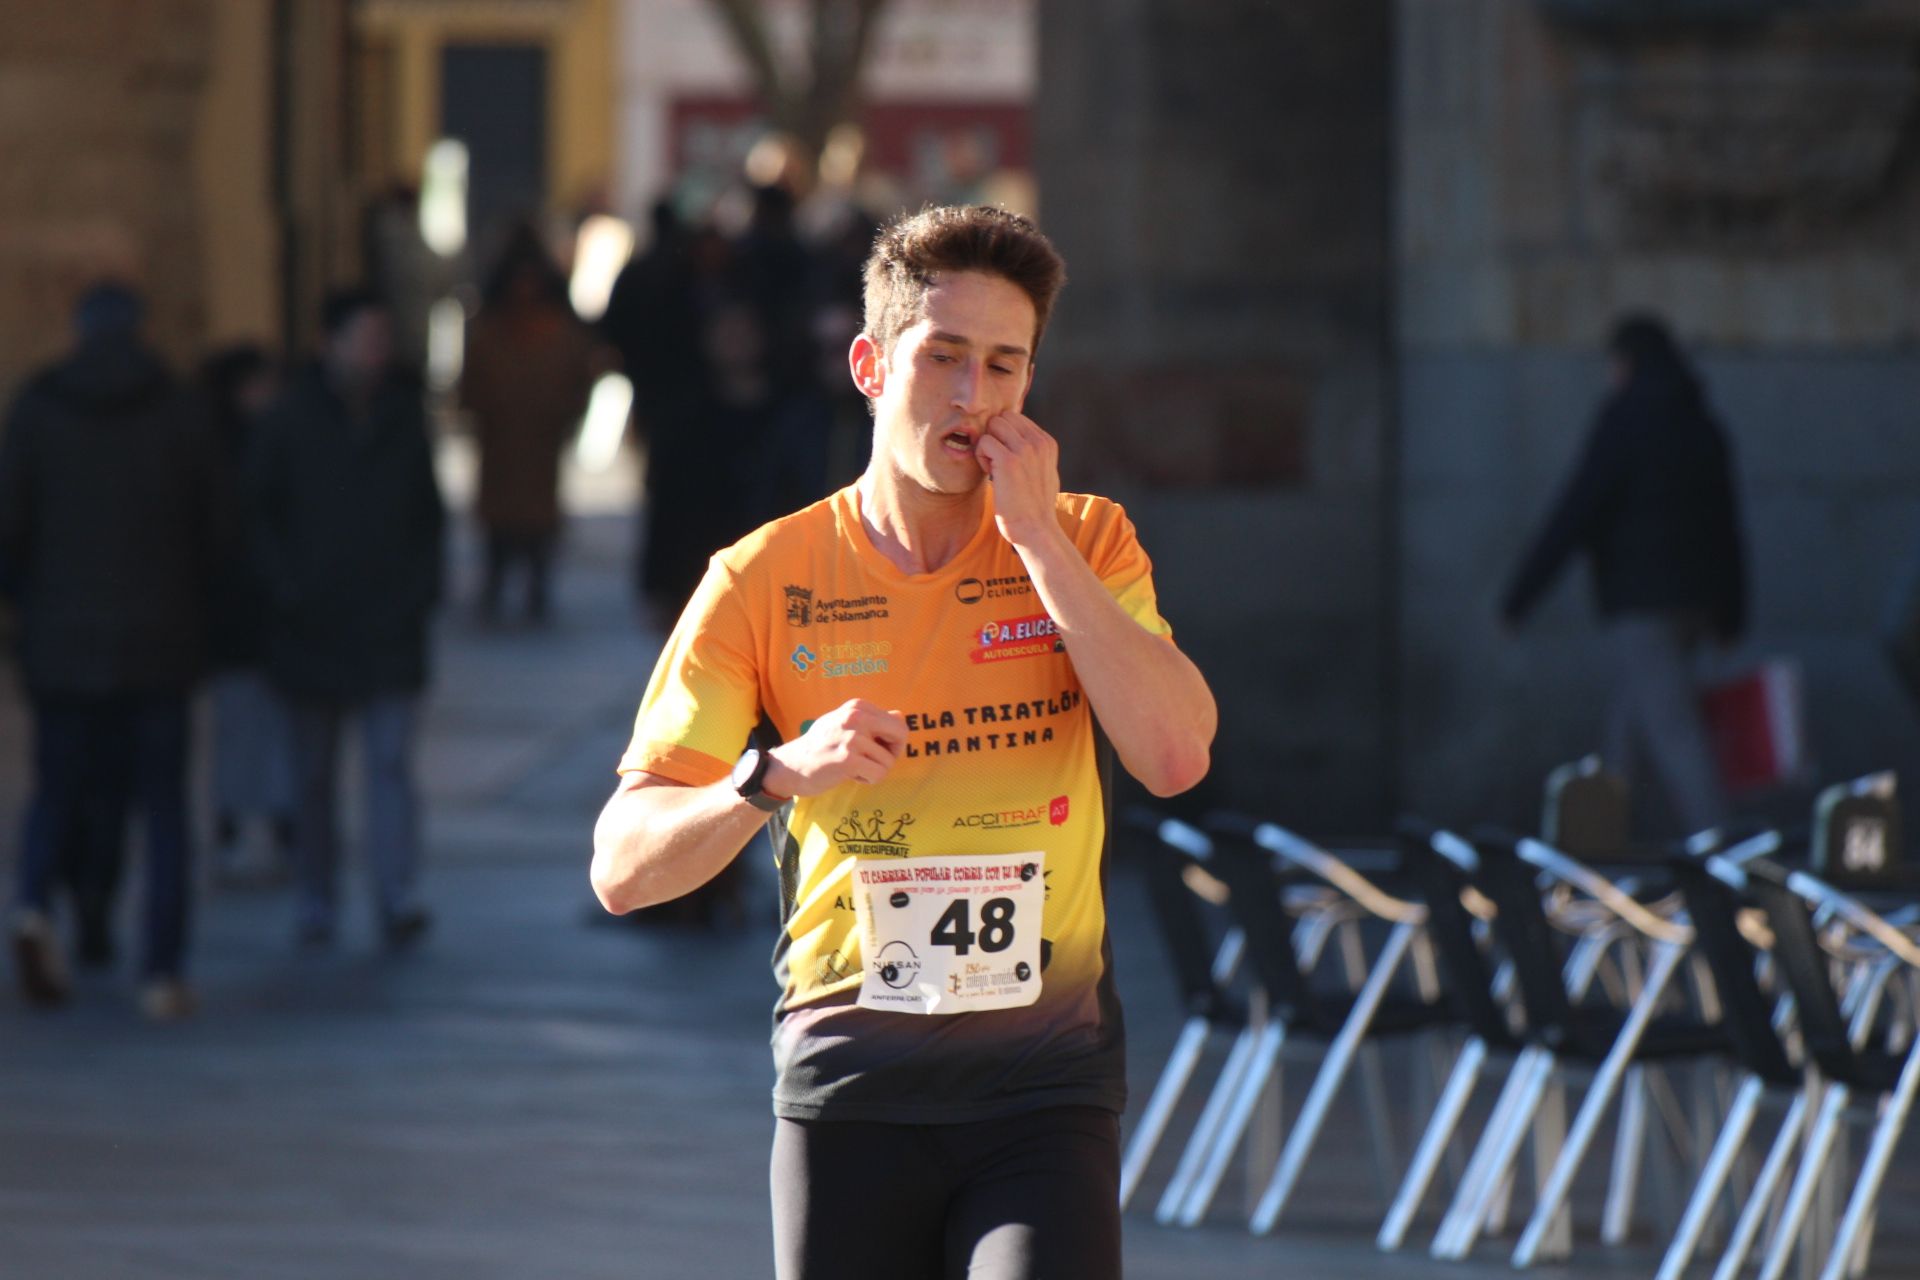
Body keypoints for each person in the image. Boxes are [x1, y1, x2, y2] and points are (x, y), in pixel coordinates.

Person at [591, 206, 1217, 1279]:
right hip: (852, 1089)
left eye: (1006, 365)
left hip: (1044, 1085)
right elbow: (622, 867)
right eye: (944, 358)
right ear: (871, 364)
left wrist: (1039, 543)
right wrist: (774, 775)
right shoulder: (764, 576)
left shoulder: (1090, 540)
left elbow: (1174, 756)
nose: (976, 400)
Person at [0, 282, 224, 1019]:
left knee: (55, 793)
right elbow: (215, 527)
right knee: (162, 812)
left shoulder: (38, 408)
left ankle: (34, 906)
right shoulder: (180, 410)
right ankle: (160, 968)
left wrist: (23, 616)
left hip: (63, 642)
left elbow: (11, 526)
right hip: (161, 641)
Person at [249, 290, 445, 950]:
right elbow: (257, 518)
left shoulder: (402, 418)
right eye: (366, 338)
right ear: (328, 342)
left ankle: (396, 895)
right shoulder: (288, 421)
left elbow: (428, 517)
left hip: (389, 625)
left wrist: (419, 593)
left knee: (389, 768)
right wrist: (286, 591)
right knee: (312, 776)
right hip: (312, 628)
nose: (377, 352)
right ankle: (316, 899)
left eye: (383, 339)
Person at [1501, 312, 1747, 835]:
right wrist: (1731, 615)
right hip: (1695, 605)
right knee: (1629, 732)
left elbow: (1576, 510)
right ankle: (1601, 849)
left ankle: (1723, 856)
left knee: (1674, 735)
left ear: (1628, 364)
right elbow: (1727, 528)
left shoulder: (1625, 424)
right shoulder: (1702, 426)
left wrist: (1520, 596)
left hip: (1641, 606)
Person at [461, 224, 596, 625]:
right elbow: (471, 385)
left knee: (538, 521)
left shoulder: (560, 334)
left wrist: (566, 413)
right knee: (500, 522)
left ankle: (536, 588)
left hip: (540, 438)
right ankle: (497, 585)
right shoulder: (491, 333)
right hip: (502, 438)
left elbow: (578, 378)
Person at [200, 344, 296, 885]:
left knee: (276, 735)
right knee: (239, 734)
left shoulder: (278, 442)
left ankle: (279, 831)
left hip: (272, 618)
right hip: (237, 620)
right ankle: (235, 829)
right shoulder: (221, 449)